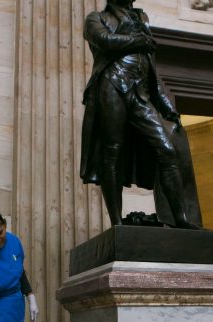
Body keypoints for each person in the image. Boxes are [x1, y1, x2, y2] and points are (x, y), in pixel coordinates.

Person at [80, 0, 203, 229]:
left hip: (141, 93)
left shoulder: (141, 19)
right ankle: (117, 222)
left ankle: (180, 218)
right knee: (112, 152)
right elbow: (105, 41)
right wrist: (139, 40)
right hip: (112, 86)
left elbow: (152, 75)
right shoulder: (96, 19)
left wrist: (167, 108)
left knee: (167, 149)